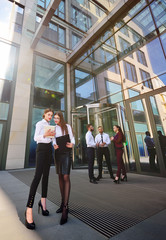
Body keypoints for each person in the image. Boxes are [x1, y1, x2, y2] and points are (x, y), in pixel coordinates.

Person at [25, 108, 55, 230]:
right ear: (44, 115)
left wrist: (53, 141)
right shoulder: (40, 124)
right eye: (49, 115)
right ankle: (28, 209)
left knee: (46, 177)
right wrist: (45, 134)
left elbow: (51, 140)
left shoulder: (50, 125)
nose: (50, 117)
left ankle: (43, 203)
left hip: (48, 150)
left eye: (52, 115)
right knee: (37, 177)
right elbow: (36, 138)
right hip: (41, 150)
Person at [53, 111, 75, 225]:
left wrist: (73, 144)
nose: (55, 120)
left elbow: (72, 138)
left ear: (61, 118)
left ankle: (65, 207)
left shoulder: (67, 127)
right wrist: (54, 145)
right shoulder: (53, 128)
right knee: (60, 176)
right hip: (58, 154)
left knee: (66, 176)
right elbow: (52, 140)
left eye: (57, 118)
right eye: (54, 118)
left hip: (66, 153)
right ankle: (62, 203)